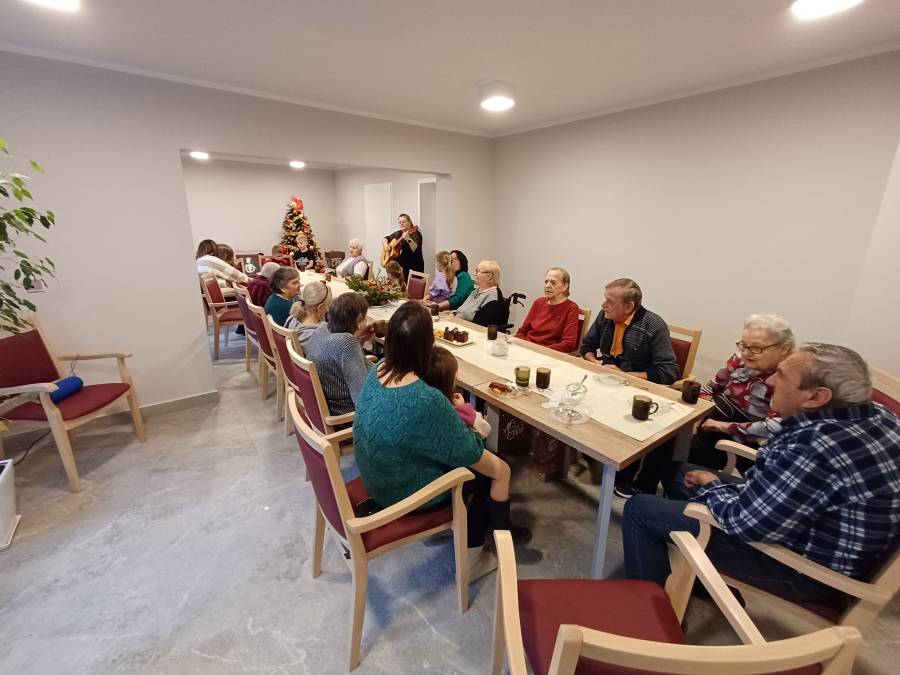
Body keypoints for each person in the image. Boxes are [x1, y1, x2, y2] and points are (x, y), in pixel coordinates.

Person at [623, 343, 900, 605]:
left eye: (781, 375)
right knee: (677, 472)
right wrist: (716, 486)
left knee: (640, 510)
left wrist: (713, 486)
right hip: (805, 526)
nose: (771, 381)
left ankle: (651, 615)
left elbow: (745, 524)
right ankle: (702, 581)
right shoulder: (878, 414)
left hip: (802, 569)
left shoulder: (817, 447)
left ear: (816, 397)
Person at [353, 302, 529, 581]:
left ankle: (478, 528)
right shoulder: (425, 397)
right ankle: (476, 556)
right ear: (428, 344)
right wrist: (472, 423)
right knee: (498, 469)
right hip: (403, 494)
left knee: (480, 465)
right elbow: (471, 451)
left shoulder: (380, 369)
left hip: (376, 479)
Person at [615, 314, 795, 499]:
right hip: (714, 417)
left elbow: (774, 427)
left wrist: (723, 426)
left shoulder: (790, 379)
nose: (747, 352)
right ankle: (634, 479)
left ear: (784, 348)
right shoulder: (741, 358)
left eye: (756, 347)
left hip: (742, 438)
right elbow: (710, 389)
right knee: (663, 426)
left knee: (674, 444)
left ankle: (651, 488)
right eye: (743, 345)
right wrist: (697, 417)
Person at [579, 278, 677, 384]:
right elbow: (587, 345)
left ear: (628, 307)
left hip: (636, 386)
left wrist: (624, 375)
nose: (603, 305)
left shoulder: (654, 326)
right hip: (604, 378)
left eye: (610, 301)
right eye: (605, 299)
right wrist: (593, 361)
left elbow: (668, 372)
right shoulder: (604, 316)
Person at [302, 293, 373, 415]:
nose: (366, 321)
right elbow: (362, 395)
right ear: (359, 320)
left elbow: (343, 360)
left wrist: (360, 340)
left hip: (327, 401)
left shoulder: (322, 329)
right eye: (365, 317)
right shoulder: (347, 342)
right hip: (344, 410)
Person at [424, 346, 491, 438]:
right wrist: (464, 407)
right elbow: (486, 430)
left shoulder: (420, 405)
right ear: (450, 382)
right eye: (455, 378)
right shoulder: (461, 411)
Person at [516, 267, 580, 353]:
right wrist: (523, 345)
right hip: (526, 348)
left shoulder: (571, 308)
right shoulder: (538, 302)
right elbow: (522, 332)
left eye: (553, 282)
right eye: (546, 282)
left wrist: (539, 350)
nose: (547, 286)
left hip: (547, 353)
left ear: (565, 286)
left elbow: (568, 344)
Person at [454, 260, 506, 326]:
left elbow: (480, 325)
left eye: (477, 271)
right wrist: (453, 313)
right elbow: (462, 310)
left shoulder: (493, 299)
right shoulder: (476, 291)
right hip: (457, 324)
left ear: (489, 277)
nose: (474, 274)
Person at [286, 281, 332, 346]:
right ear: (320, 307)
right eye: (328, 307)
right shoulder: (320, 334)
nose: (327, 310)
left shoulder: (291, 319)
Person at [382, 213, 424, 282]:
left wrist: (408, 239)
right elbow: (385, 238)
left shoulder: (416, 234)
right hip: (402, 269)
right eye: (400, 222)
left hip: (414, 268)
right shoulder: (399, 233)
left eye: (404, 222)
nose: (401, 224)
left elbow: (415, 249)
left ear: (410, 222)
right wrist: (386, 244)